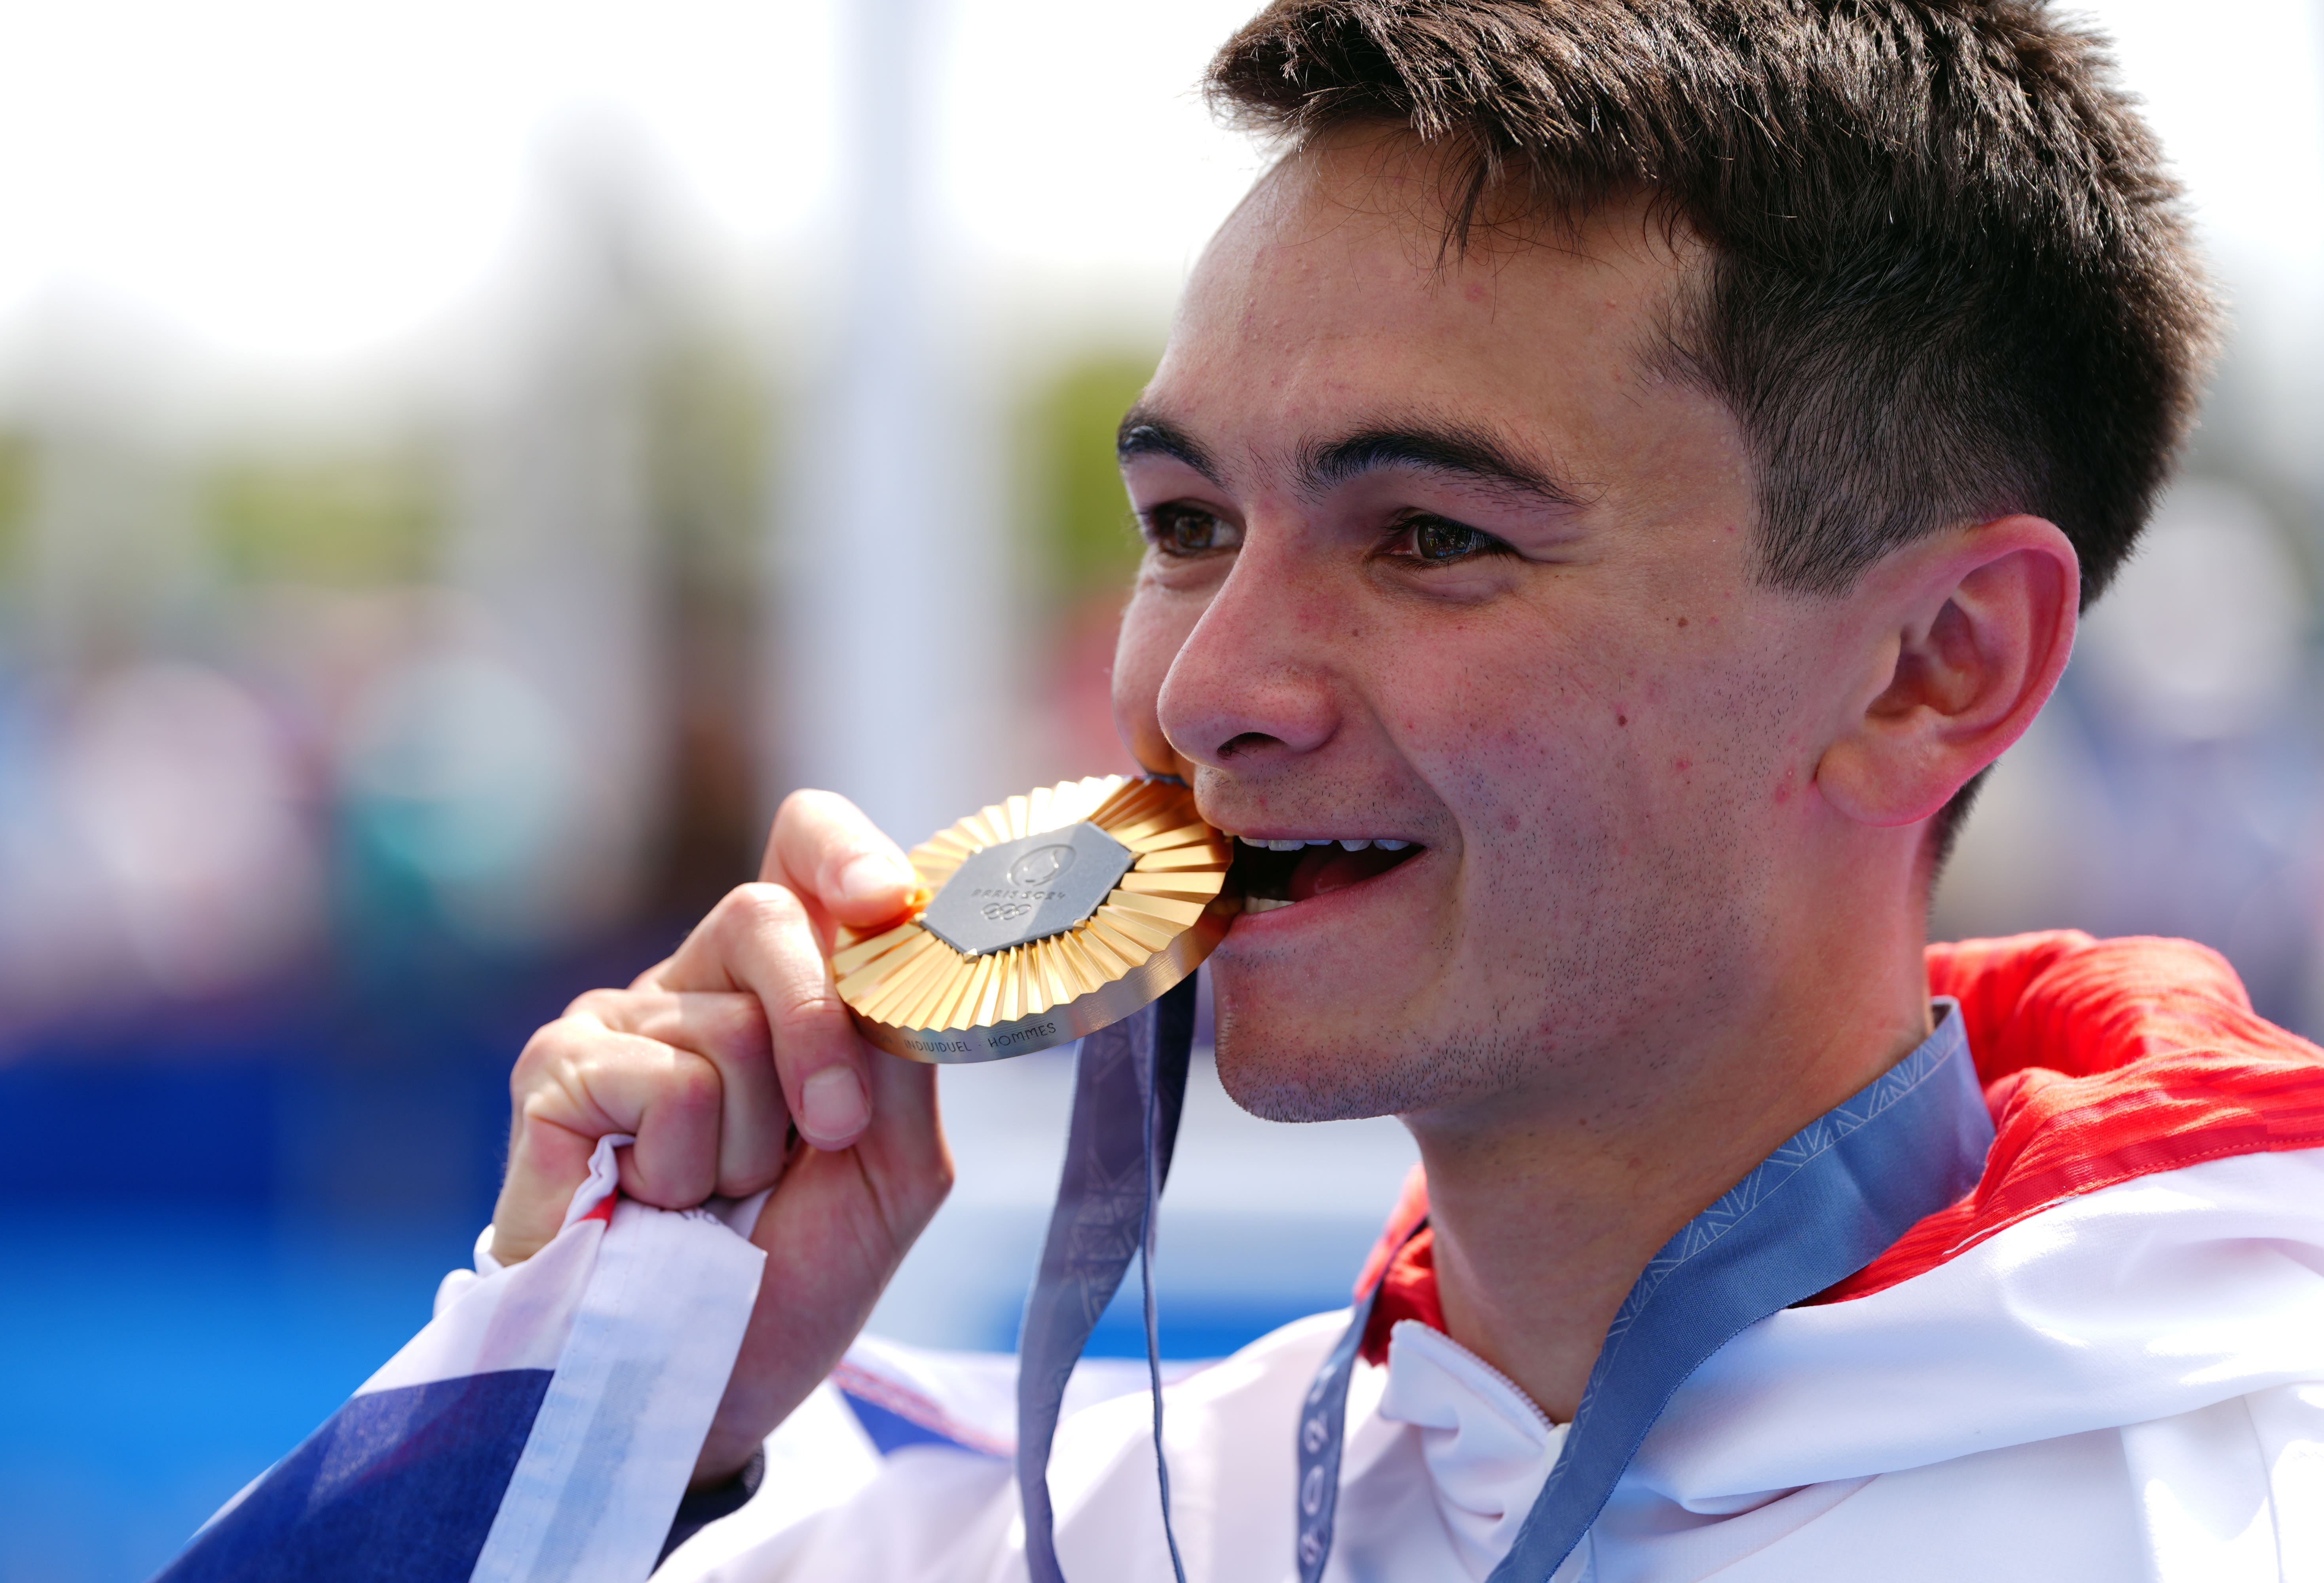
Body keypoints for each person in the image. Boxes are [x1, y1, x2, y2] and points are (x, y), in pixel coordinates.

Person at [490, 2, 2324, 1579]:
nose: (1206, 692)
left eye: (1433, 534)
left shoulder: (2242, 1504)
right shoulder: (1094, 1517)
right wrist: (616, 1411)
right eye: (1189, 526)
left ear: (1939, 663)